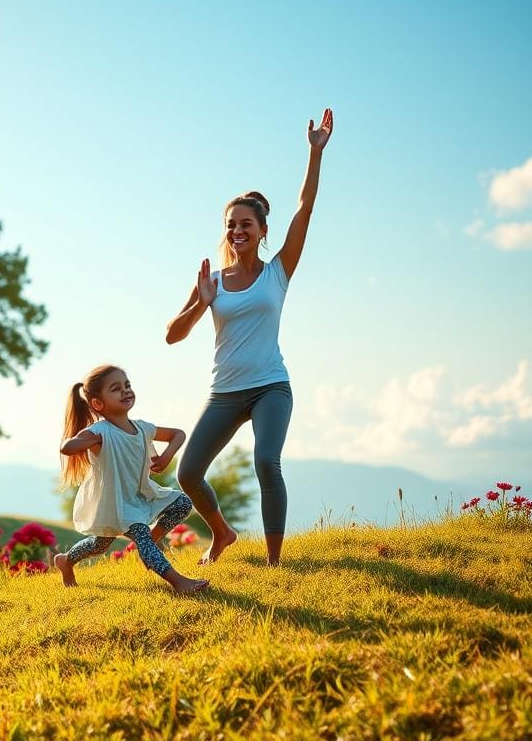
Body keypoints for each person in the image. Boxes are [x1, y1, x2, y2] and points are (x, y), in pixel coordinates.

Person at [165, 108, 334, 566]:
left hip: (270, 387)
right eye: (231, 224)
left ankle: (275, 562)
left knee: (266, 461)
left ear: (261, 231)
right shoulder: (212, 281)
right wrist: (200, 302)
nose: (237, 230)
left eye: (246, 224)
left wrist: (314, 153)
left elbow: (305, 209)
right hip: (224, 393)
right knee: (190, 473)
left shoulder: (279, 271)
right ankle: (222, 533)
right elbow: (171, 337)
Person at [53, 364, 209, 593]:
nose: (126, 391)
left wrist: (166, 457)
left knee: (181, 503)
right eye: (116, 389)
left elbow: (178, 434)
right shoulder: (101, 432)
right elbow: (67, 447)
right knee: (110, 541)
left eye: (127, 385)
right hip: (116, 502)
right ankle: (179, 582)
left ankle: (66, 560)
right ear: (98, 404)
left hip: (140, 494)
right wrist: (90, 441)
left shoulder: (142, 428)